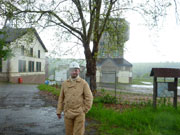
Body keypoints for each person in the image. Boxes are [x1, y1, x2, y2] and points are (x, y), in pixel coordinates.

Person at [56, 61, 93, 135]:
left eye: (76, 70)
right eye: (72, 70)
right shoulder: (65, 84)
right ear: (69, 71)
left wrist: (84, 110)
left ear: (79, 71)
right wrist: (59, 111)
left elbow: (89, 97)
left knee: (78, 133)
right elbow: (61, 98)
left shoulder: (83, 83)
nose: (74, 72)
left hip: (79, 113)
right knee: (69, 133)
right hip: (68, 112)